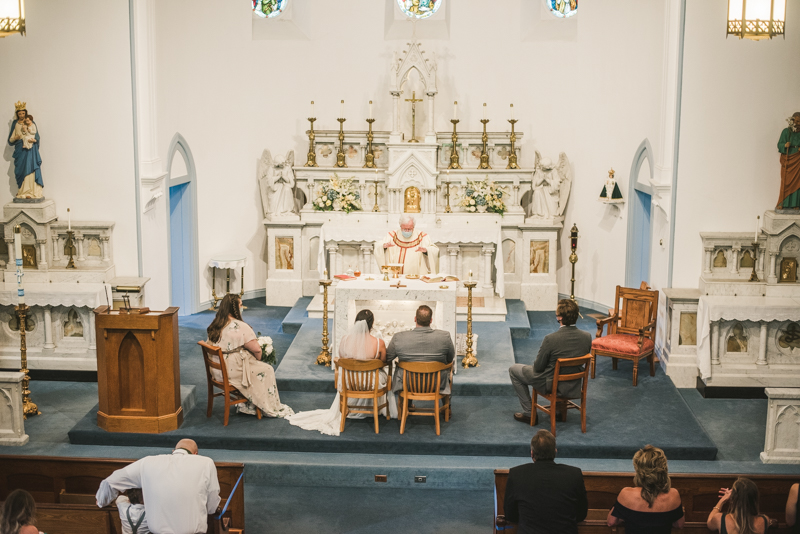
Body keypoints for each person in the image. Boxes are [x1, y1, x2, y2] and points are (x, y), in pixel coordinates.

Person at [287, 309, 397, 435]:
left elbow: (341, 359)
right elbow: (383, 361)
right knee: (381, 373)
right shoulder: (379, 343)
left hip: (349, 382)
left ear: (356, 322)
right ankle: (376, 409)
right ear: (371, 325)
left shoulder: (345, 340)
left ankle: (350, 407)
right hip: (372, 383)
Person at [96, 439, 220, 534]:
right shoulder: (206, 463)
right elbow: (212, 502)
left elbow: (111, 481)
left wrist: (102, 501)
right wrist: (208, 510)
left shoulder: (148, 462)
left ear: (173, 451)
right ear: (195, 454)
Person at [206, 293, 293, 418]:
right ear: (235, 308)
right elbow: (257, 349)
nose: (242, 307)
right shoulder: (241, 326)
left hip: (216, 371)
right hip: (231, 373)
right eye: (240, 305)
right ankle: (263, 406)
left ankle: (247, 404)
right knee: (266, 369)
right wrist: (258, 360)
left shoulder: (215, 324)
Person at [508, 298, 591, 424]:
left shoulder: (550, 339)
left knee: (514, 370)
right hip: (573, 383)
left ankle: (530, 413)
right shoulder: (587, 337)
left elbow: (538, 368)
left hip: (551, 384)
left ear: (560, 318)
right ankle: (559, 411)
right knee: (563, 369)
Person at [504, 430, 587, 534]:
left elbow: (510, 515)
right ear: (555, 452)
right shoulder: (574, 474)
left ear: (532, 453)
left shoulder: (516, 474)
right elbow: (581, 514)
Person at [607, 445, 684, 533]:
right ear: (663, 469)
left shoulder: (626, 493)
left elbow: (611, 522)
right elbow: (679, 525)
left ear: (639, 470)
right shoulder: (673, 494)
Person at [386, 304, 455, 394]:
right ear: (431, 320)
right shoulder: (444, 336)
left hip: (407, 384)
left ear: (415, 319)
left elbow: (388, 358)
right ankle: (445, 405)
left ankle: (406, 405)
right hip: (436, 383)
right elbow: (450, 358)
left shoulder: (398, 337)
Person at [374, 214, 439, 276]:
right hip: (396, 276)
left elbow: (435, 250)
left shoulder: (422, 236)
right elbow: (378, 245)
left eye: (409, 229)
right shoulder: (392, 235)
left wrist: (426, 250)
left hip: (416, 276)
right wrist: (383, 246)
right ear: (400, 226)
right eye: (404, 229)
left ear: (413, 227)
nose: (407, 231)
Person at [7, 103, 44, 200]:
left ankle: (31, 191)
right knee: (21, 169)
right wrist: (15, 137)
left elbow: (36, 135)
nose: (22, 116)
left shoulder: (31, 122)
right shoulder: (15, 124)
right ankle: (23, 190)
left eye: (23, 113)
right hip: (20, 149)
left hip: (30, 150)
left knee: (30, 168)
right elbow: (10, 140)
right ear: (17, 114)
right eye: (20, 114)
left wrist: (34, 140)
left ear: (26, 113)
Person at [777, 112, 800, 210]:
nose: (799, 123)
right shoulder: (786, 132)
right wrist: (784, 145)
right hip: (788, 158)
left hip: (798, 159)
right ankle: (783, 202)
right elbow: (779, 144)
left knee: (797, 182)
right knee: (785, 181)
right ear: (792, 120)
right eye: (797, 121)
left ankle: (796, 204)